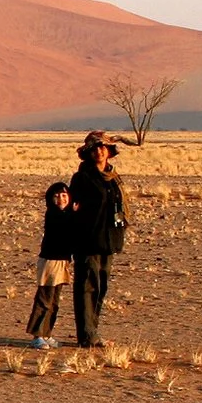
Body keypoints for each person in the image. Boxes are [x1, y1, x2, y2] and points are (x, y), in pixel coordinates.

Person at [67, 131, 129, 348]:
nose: (99, 152)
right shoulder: (82, 178)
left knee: (101, 286)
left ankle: (92, 330)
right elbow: (72, 210)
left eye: (103, 148)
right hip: (87, 240)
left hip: (108, 241)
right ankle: (86, 335)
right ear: (88, 153)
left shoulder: (113, 177)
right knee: (87, 286)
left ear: (109, 152)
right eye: (94, 148)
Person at [26, 181, 73, 348]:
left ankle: (47, 334)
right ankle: (37, 335)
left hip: (62, 262)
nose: (60, 199)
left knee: (54, 301)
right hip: (50, 261)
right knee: (44, 299)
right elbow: (65, 225)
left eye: (64, 195)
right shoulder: (54, 214)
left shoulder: (67, 214)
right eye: (57, 196)